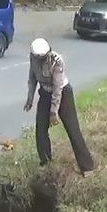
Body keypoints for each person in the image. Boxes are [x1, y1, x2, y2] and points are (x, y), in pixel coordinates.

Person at [23, 38, 94, 176]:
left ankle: (87, 166)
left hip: (63, 93)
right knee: (41, 129)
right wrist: (30, 98)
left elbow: (57, 88)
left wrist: (54, 112)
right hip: (45, 92)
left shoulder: (57, 61)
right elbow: (32, 78)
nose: (42, 59)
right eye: (39, 58)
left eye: (43, 57)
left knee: (72, 129)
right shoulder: (33, 59)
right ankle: (45, 162)